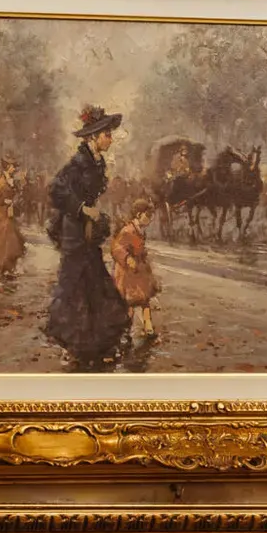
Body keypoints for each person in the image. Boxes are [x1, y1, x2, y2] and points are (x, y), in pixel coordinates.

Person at [44, 105, 131, 370]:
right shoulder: (77, 163)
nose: (110, 139)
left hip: (88, 232)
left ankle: (97, 345)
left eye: (110, 134)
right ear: (93, 137)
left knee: (95, 284)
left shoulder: (97, 161)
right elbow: (56, 191)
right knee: (74, 287)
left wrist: (93, 215)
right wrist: (82, 209)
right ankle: (73, 347)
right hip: (75, 232)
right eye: (107, 134)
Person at [111, 197, 161, 340]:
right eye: (148, 215)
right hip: (128, 273)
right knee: (130, 303)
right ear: (138, 214)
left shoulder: (138, 230)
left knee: (144, 300)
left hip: (138, 271)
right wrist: (127, 258)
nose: (150, 219)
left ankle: (148, 328)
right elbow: (116, 248)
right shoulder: (128, 230)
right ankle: (125, 332)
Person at [0, 158, 25, 284]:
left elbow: (15, 194)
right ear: (7, 167)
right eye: (12, 166)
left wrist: (14, 197)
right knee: (2, 242)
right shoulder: (0, 181)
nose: (14, 169)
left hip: (8, 214)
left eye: (14, 166)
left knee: (13, 242)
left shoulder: (11, 180)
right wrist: (3, 200)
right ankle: (1, 270)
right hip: (0, 215)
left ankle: (9, 268)